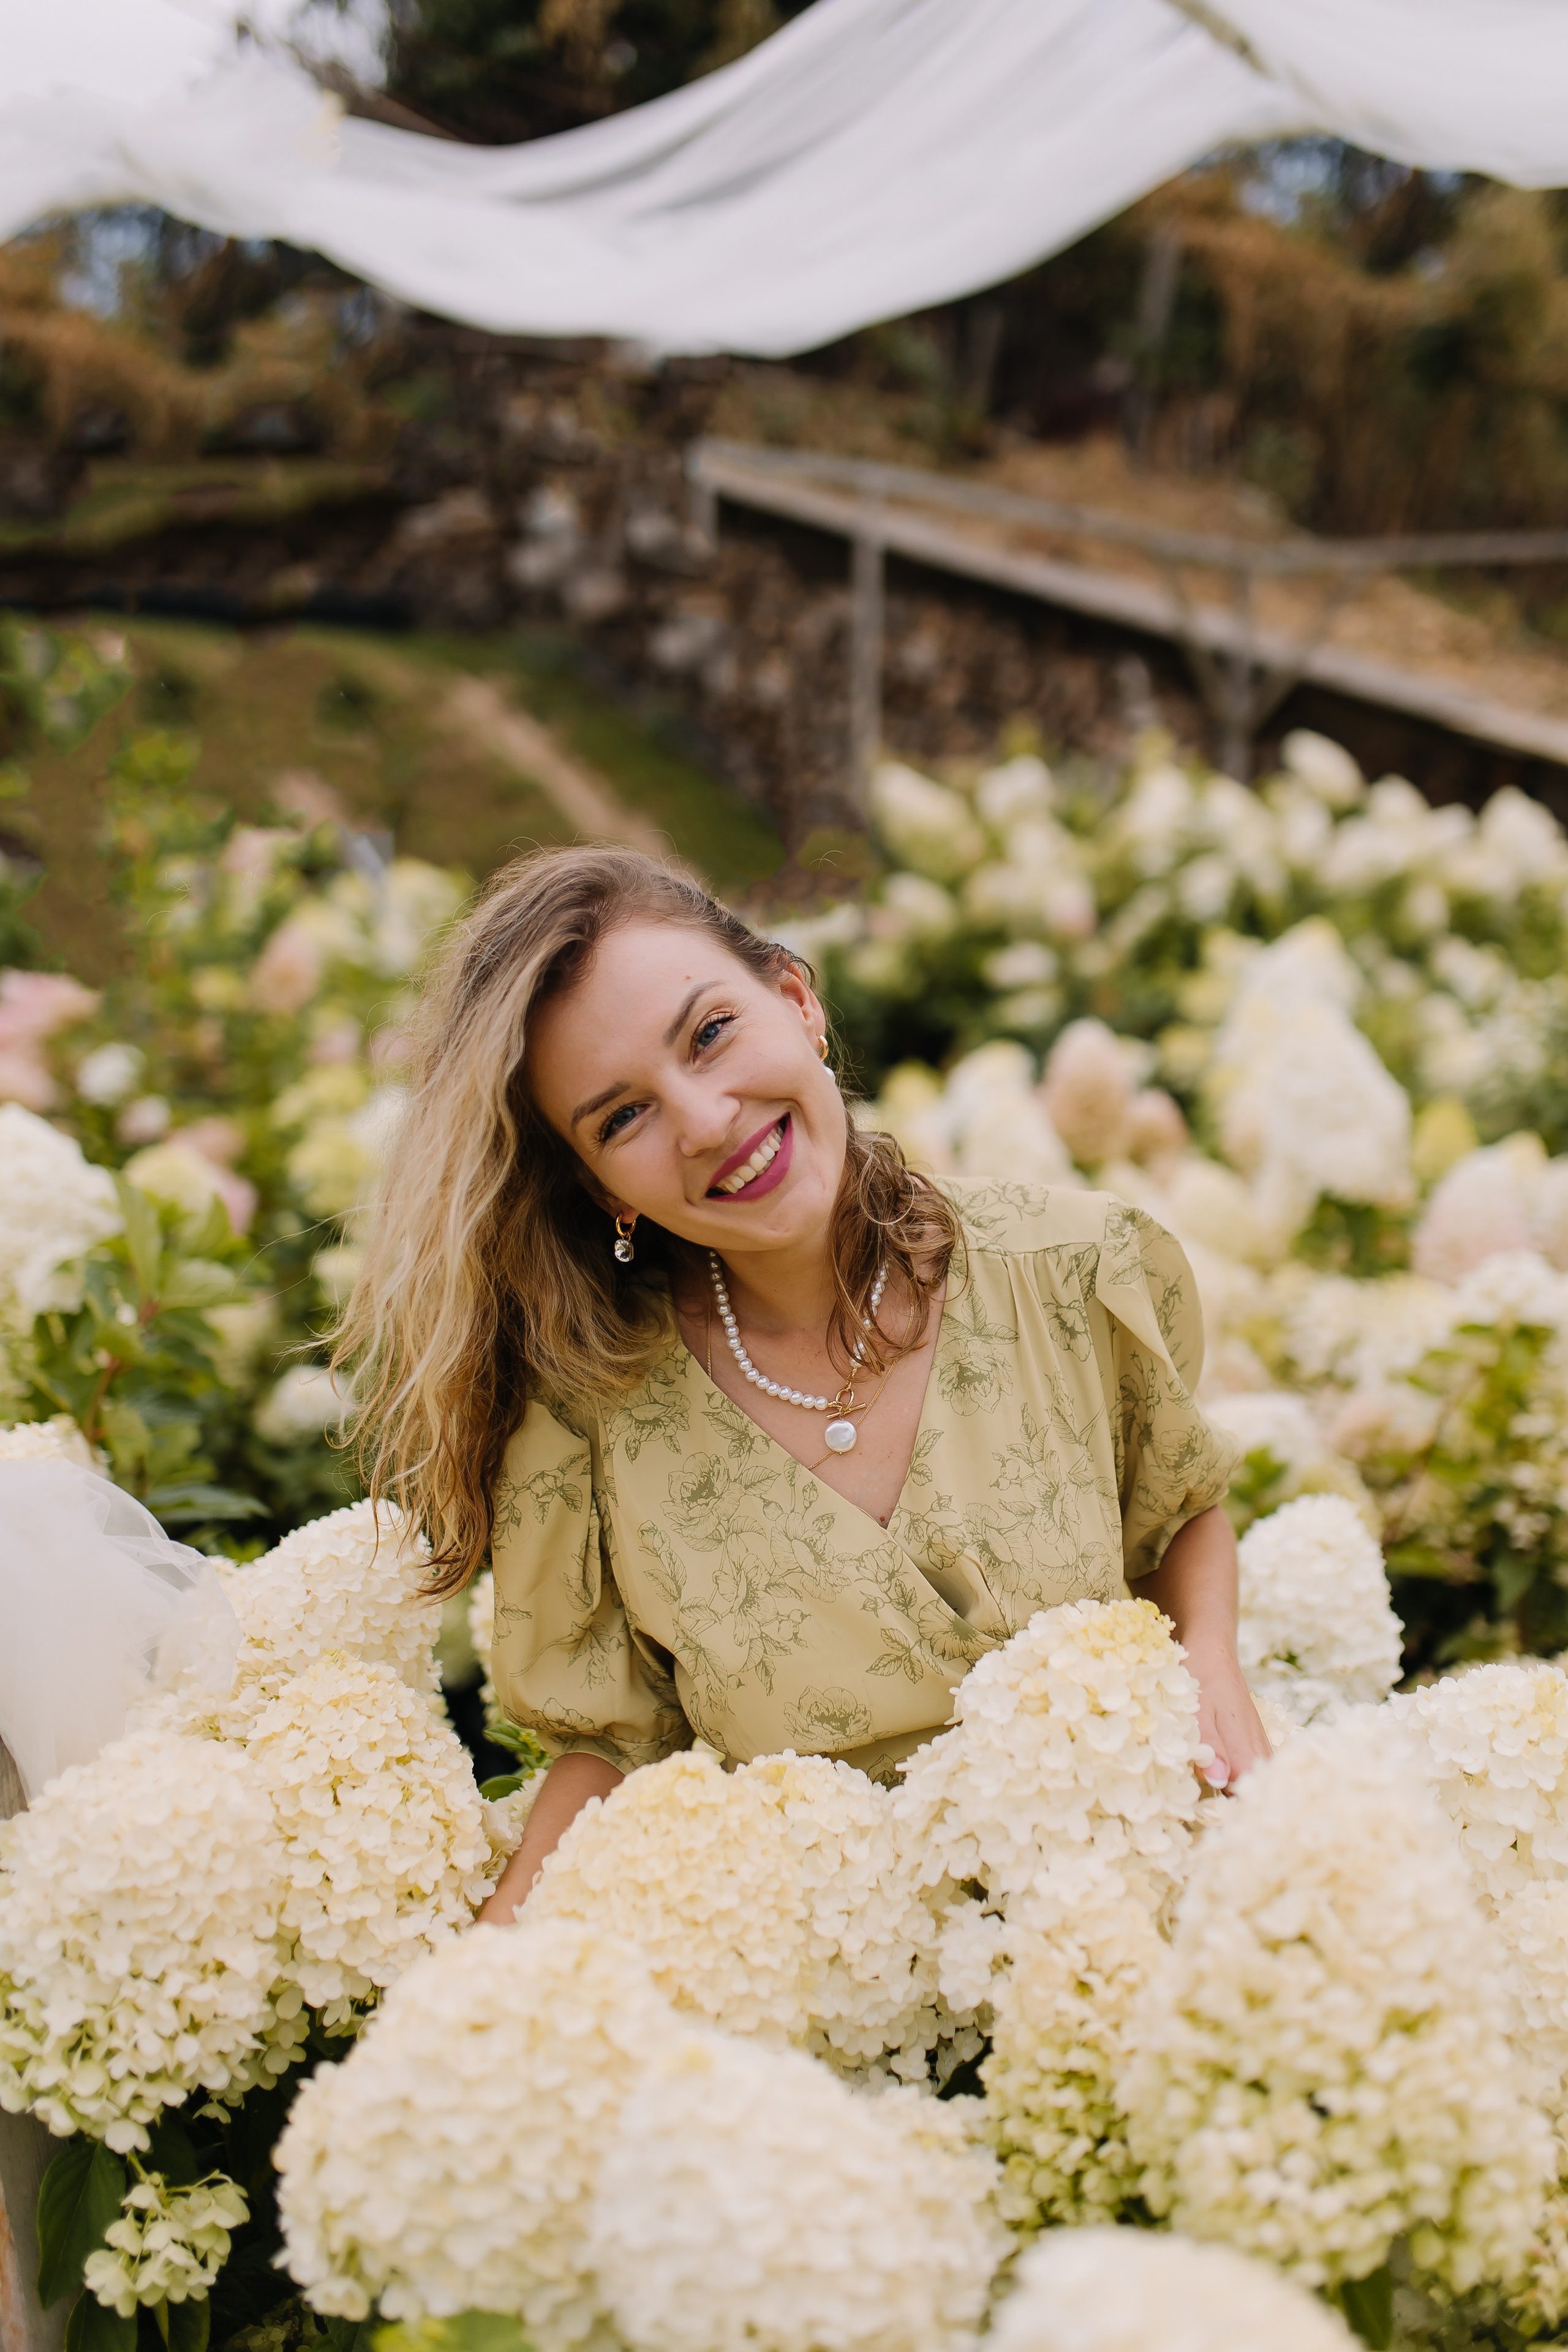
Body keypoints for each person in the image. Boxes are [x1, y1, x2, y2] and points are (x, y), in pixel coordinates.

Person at [336, 846, 1269, 1926]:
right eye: (621, 1117)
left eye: (711, 1033)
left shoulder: (1073, 1270)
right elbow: (613, 1751)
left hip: (1135, 1915)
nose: (705, 1118)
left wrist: (1211, 1658)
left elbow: (1177, 1510)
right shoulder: (587, 1426)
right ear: (599, 1188)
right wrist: (481, 1983)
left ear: (796, 999)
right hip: (830, 2004)